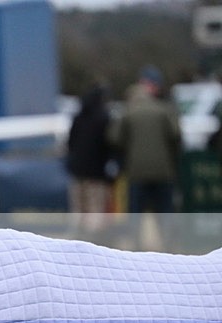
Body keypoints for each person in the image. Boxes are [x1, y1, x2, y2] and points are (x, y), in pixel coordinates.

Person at [109, 66, 182, 249]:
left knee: (135, 214)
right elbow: (176, 136)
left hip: (136, 172)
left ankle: (135, 248)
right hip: (164, 171)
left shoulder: (128, 111)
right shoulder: (165, 110)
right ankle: (168, 247)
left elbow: (114, 138)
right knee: (165, 212)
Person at [65, 83, 115, 239]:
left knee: (78, 211)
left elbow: (70, 143)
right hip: (96, 174)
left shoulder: (78, 117)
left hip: (76, 171)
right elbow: (109, 145)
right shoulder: (104, 118)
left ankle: (74, 244)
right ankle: (92, 243)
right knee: (95, 211)